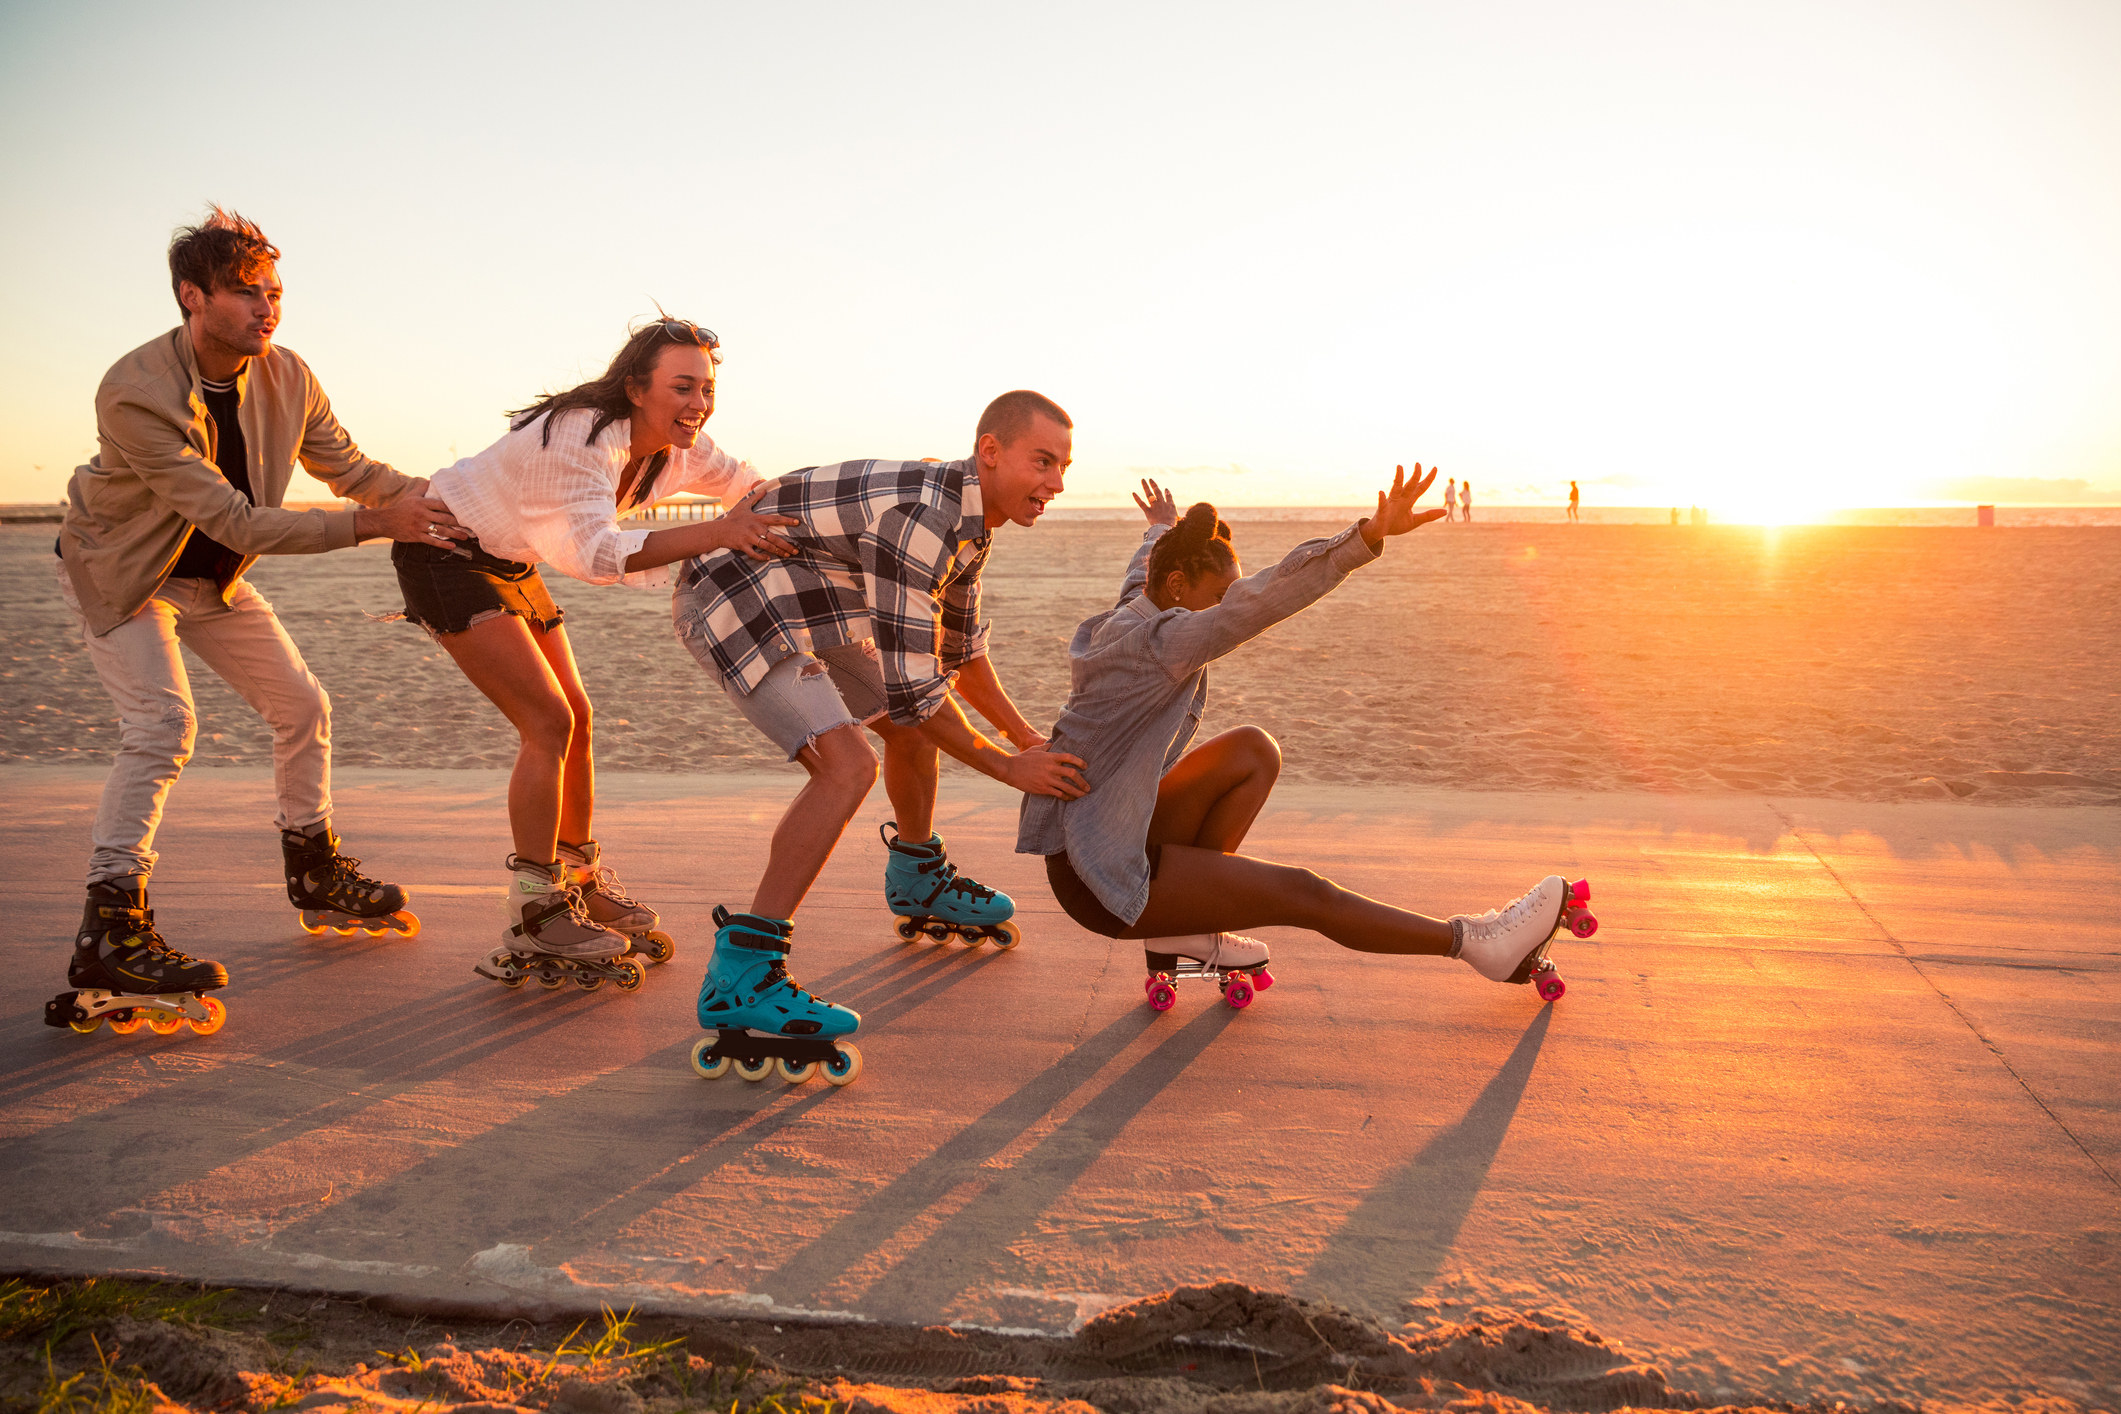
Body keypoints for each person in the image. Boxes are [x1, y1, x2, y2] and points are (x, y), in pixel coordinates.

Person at [47, 207, 466, 1039]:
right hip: (124, 574)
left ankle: (313, 870)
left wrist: (445, 499)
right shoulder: (134, 388)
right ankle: (110, 926)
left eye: (274, 291)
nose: (267, 308)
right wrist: (380, 525)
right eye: (246, 292)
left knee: (303, 707)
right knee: (162, 725)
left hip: (210, 578)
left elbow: (350, 469)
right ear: (191, 296)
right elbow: (235, 519)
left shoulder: (289, 374)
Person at [1018, 471, 1590, 1009]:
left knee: (1252, 750)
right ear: (1177, 585)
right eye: (1218, 597)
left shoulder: (1130, 616)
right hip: (1101, 877)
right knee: (1305, 893)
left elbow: (1141, 575)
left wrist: (1162, 528)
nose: (1224, 609)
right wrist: (1366, 537)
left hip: (1097, 841)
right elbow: (1263, 599)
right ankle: (1476, 943)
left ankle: (1185, 928)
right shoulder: (1157, 643)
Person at [671, 390, 1089, 1085]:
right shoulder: (924, 519)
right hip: (735, 595)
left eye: (1064, 466)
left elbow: (958, 653)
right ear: (990, 452)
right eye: (1042, 462)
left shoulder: (972, 521)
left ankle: (917, 876)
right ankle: (741, 974)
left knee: (908, 730)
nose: (1057, 483)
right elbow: (919, 691)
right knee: (847, 767)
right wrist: (1008, 770)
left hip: (808, 596)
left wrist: (1023, 738)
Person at [401, 317, 795, 991]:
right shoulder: (582, 436)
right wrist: (720, 531)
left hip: (509, 559)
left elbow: (745, 485)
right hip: (445, 554)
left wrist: (805, 512)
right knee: (546, 722)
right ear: (636, 388)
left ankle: (577, 877)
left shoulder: (680, 447)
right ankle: (533, 905)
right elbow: (594, 555)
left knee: (576, 717)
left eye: (706, 389)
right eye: (681, 387)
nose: (698, 403)